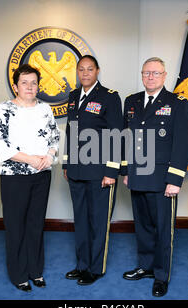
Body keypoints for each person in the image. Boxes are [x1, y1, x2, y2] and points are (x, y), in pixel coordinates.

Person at [121, 57, 188, 297]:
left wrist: (175, 178)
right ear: (142, 76)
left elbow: (183, 142)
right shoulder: (131, 101)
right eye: (146, 73)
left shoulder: (177, 102)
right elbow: (126, 139)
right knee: (142, 226)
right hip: (138, 175)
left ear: (164, 76)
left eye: (155, 73)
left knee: (163, 229)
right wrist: (127, 171)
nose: (150, 77)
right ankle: (145, 266)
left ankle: (161, 276)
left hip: (164, 178)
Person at [0, 64, 60, 292]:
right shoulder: (4, 110)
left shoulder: (45, 109)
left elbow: (54, 138)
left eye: (33, 82)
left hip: (42, 175)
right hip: (15, 176)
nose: (29, 87)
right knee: (15, 225)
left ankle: (35, 271)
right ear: (15, 86)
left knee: (35, 224)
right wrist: (30, 159)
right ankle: (19, 274)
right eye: (24, 82)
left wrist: (48, 157)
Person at [62, 55, 123, 285]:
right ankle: (82, 265)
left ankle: (96, 268)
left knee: (98, 221)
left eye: (90, 69)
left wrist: (112, 171)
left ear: (97, 71)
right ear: (77, 72)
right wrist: (67, 164)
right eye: (81, 69)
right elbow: (71, 133)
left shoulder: (109, 97)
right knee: (81, 220)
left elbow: (117, 135)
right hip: (77, 172)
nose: (85, 73)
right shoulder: (74, 96)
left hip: (100, 173)